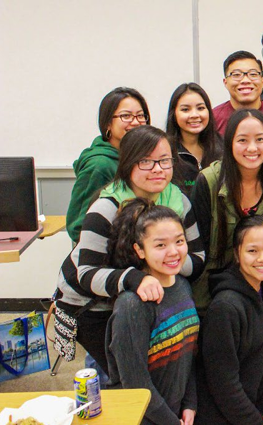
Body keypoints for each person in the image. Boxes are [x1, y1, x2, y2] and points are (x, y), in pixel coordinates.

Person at [54, 125, 205, 387]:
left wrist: (162, 266)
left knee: (156, 369)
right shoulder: (106, 206)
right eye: (146, 161)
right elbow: (86, 274)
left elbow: (197, 259)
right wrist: (137, 277)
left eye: (165, 160)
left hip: (139, 294)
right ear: (128, 163)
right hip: (91, 303)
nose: (158, 168)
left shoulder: (178, 200)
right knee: (123, 376)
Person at [104, 199, 199, 425]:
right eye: (160, 245)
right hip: (141, 418)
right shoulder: (132, 305)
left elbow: (188, 355)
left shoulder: (183, 286)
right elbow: (135, 383)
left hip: (174, 414)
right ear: (140, 250)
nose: (173, 252)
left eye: (179, 241)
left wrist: (190, 403)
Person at [191, 109, 263, 312]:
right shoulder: (208, 181)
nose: (252, 148)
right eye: (243, 140)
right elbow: (198, 247)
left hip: (262, 285)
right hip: (213, 293)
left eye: (260, 139)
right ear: (229, 143)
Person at [196, 216, 263, 425]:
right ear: (237, 253)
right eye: (252, 251)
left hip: (251, 411)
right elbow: (223, 382)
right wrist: (253, 420)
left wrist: (261, 411)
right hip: (220, 417)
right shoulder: (225, 307)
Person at [66, 87, 150, 243]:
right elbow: (78, 226)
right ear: (107, 124)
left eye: (140, 116)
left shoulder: (140, 158)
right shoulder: (99, 165)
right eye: (126, 116)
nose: (136, 122)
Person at [212, 50, 263, 143]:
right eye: (236, 75)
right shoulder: (213, 120)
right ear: (225, 82)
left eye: (253, 74)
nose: (245, 80)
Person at [166, 83, 223, 195]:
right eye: (185, 109)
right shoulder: (165, 151)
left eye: (200, 108)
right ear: (174, 114)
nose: (194, 115)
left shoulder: (222, 146)